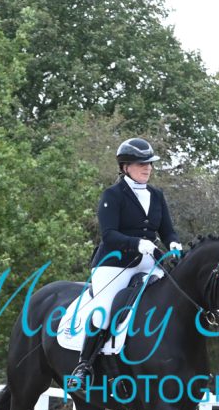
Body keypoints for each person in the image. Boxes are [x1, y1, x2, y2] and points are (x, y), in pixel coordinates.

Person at [68, 137, 184, 387]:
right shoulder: (112, 195)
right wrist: (137, 243)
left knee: (175, 300)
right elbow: (109, 234)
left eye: (149, 163)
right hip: (114, 264)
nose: (147, 168)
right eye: (141, 164)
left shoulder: (156, 195)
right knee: (103, 312)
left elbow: (167, 230)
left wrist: (174, 243)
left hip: (149, 262)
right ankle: (84, 365)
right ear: (125, 167)